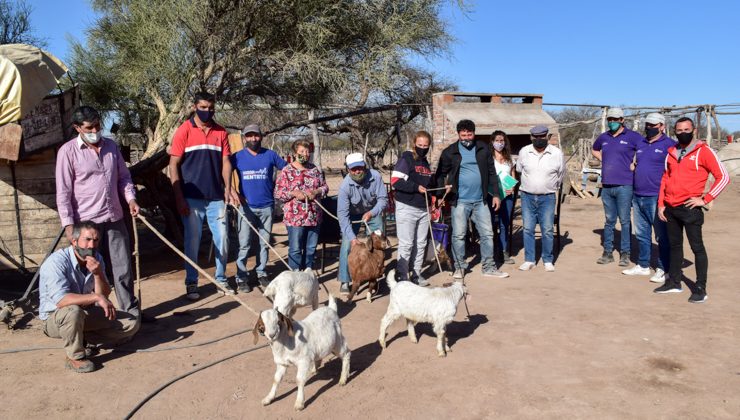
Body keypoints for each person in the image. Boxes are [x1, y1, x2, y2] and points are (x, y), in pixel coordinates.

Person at [55, 106, 147, 321]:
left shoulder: (111, 147)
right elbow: (63, 192)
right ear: (78, 128)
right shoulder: (67, 152)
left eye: (97, 125)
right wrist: (69, 227)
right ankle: (93, 317)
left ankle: (130, 313)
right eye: (89, 127)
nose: (95, 130)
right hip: (86, 224)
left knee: (123, 266)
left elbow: (124, 178)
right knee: (91, 271)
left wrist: (131, 199)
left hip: (114, 216)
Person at [39, 221, 139, 373]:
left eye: (96, 240)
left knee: (131, 323)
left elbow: (104, 294)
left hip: (84, 314)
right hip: (56, 318)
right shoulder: (56, 262)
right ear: (74, 241)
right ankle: (75, 357)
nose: (92, 245)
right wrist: (96, 298)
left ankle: (84, 337)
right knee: (73, 311)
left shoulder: (97, 258)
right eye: (87, 240)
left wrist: (97, 274)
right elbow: (62, 301)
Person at [655, 117, 730, 303]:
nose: (682, 133)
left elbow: (723, 177)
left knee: (697, 248)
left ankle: (700, 287)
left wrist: (705, 199)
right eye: (679, 130)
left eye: (686, 129)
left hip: (690, 208)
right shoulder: (671, 151)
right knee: (674, 246)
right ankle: (674, 282)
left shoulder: (704, 151)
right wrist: (661, 204)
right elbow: (666, 178)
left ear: (694, 130)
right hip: (671, 207)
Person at [168, 92, 234, 300]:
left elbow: (226, 162)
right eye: (203, 107)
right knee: (193, 241)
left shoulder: (221, 132)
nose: (207, 111)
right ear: (194, 106)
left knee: (222, 239)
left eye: (211, 108)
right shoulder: (184, 130)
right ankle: (192, 282)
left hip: (216, 197)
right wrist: (179, 197)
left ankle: (221, 278)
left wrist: (228, 189)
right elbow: (173, 165)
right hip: (191, 197)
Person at [434, 119, 509, 279]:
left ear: (474, 133)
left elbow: (491, 173)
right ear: (458, 134)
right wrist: (440, 195)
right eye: (463, 134)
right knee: (459, 235)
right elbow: (440, 174)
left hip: (480, 201)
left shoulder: (483, 148)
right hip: (459, 201)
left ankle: (488, 267)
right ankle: (460, 267)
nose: (467, 137)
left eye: (470, 134)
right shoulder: (450, 152)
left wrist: (496, 194)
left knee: (487, 234)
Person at [230, 124, 287, 290]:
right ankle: (241, 277)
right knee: (244, 243)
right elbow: (223, 173)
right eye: (249, 136)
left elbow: (288, 169)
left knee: (264, 242)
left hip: (267, 206)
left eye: (256, 135)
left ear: (261, 137)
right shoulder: (238, 156)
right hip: (246, 206)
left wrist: (282, 186)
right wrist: (233, 192)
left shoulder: (270, 155)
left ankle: (261, 272)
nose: (253, 138)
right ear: (245, 138)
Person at [621, 113, 674, 283]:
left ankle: (662, 268)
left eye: (653, 125)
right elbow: (636, 162)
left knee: (661, 236)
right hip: (638, 195)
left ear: (662, 126)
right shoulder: (641, 143)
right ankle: (643, 265)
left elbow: (674, 171)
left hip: (657, 197)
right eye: (648, 125)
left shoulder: (670, 145)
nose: (650, 128)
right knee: (642, 234)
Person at [592, 107, 642, 267]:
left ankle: (625, 254)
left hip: (625, 185)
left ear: (622, 120)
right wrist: (603, 159)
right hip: (607, 185)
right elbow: (594, 149)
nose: (612, 122)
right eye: (610, 120)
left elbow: (644, 150)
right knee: (609, 221)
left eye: (615, 119)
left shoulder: (633, 137)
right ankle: (607, 252)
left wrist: (636, 163)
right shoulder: (604, 137)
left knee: (625, 221)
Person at [515, 125, 565, 272]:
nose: (538, 139)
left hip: (548, 198)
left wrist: (546, 187)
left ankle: (547, 260)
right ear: (532, 137)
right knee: (528, 229)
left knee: (548, 229)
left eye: (542, 136)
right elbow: (519, 170)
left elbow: (560, 176)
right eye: (535, 137)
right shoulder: (524, 151)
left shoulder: (556, 153)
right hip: (527, 197)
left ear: (547, 137)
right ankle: (529, 260)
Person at [337, 153, 388, 295]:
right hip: (352, 214)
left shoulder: (376, 176)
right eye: (354, 169)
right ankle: (345, 280)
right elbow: (343, 215)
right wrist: (353, 239)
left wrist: (372, 213)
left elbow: (383, 200)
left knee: (379, 242)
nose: (357, 171)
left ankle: (375, 275)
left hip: (372, 211)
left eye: (360, 167)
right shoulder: (345, 187)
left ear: (365, 167)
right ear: (348, 169)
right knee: (347, 244)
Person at [274, 139, 328, 272]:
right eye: (302, 151)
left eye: (307, 151)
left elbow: (325, 187)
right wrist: (293, 193)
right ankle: (295, 275)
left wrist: (316, 191)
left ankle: (307, 273)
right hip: (294, 217)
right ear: (295, 153)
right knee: (296, 248)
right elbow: (278, 193)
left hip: (313, 216)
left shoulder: (314, 170)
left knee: (310, 248)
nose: (305, 154)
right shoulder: (287, 171)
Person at [391, 130, 435, 286]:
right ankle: (402, 276)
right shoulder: (406, 159)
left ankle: (416, 274)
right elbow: (395, 181)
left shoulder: (426, 163)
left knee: (421, 243)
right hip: (407, 207)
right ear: (414, 144)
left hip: (423, 208)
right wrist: (416, 187)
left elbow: (428, 184)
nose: (423, 148)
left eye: (426, 145)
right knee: (407, 243)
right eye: (420, 145)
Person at [490, 130, 517, 265]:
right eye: (497, 140)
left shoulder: (509, 159)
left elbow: (512, 175)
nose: (499, 143)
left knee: (504, 224)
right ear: (492, 142)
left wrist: (511, 187)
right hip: (492, 196)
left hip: (507, 196)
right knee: (491, 224)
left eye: (502, 141)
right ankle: (492, 252)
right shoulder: (489, 158)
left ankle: (504, 252)